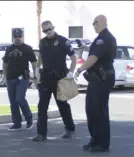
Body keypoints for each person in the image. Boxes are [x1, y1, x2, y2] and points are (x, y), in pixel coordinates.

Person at [75, 15, 116, 152]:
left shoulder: (104, 39)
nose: (94, 25)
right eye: (93, 23)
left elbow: (93, 58)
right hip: (96, 79)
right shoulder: (100, 38)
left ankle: (102, 144)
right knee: (91, 110)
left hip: (102, 79)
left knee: (99, 111)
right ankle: (94, 140)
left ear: (103, 22)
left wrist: (80, 69)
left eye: (96, 23)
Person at [32, 20, 76, 141]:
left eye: (49, 29)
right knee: (42, 106)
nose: (48, 32)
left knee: (62, 105)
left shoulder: (63, 41)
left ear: (53, 27)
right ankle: (41, 133)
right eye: (45, 30)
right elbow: (40, 56)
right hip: (46, 78)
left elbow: (73, 58)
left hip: (60, 78)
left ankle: (69, 129)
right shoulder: (42, 42)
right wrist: (37, 69)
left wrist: (71, 72)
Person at [2, 28, 37, 131]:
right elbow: (5, 63)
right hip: (10, 78)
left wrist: (35, 75)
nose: (17, 38)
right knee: (13, 102)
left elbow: (34, 63)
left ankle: (29, 118)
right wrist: (5, 76)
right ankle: (16, 123)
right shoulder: (9, 49)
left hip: (23, 78)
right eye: (15, 37)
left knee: (20, 99)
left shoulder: (28, 48)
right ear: (13, 37)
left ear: (23, 37)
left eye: (19, 36)